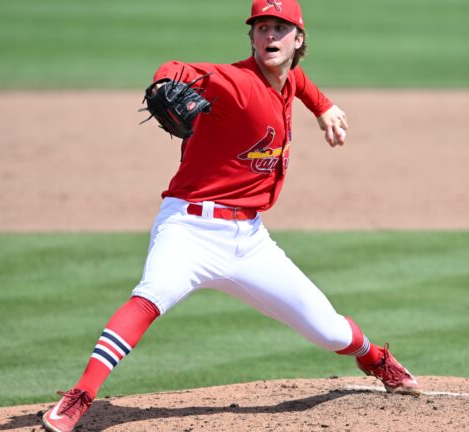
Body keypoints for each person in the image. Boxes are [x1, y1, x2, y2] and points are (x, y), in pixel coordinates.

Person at [43, 1, 419, 431]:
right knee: (149, 297)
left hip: (250, 240)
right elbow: (174, 67)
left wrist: (324, 107)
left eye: (280, 28)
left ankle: (376, 359)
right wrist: (166, 80)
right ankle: (82, 395)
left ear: (299, 40)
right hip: (189, 228)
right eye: (261, 28)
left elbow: (298, 82)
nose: (270, 36)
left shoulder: (289, 77)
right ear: (252, 38)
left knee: (328, 330)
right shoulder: (232, 81)